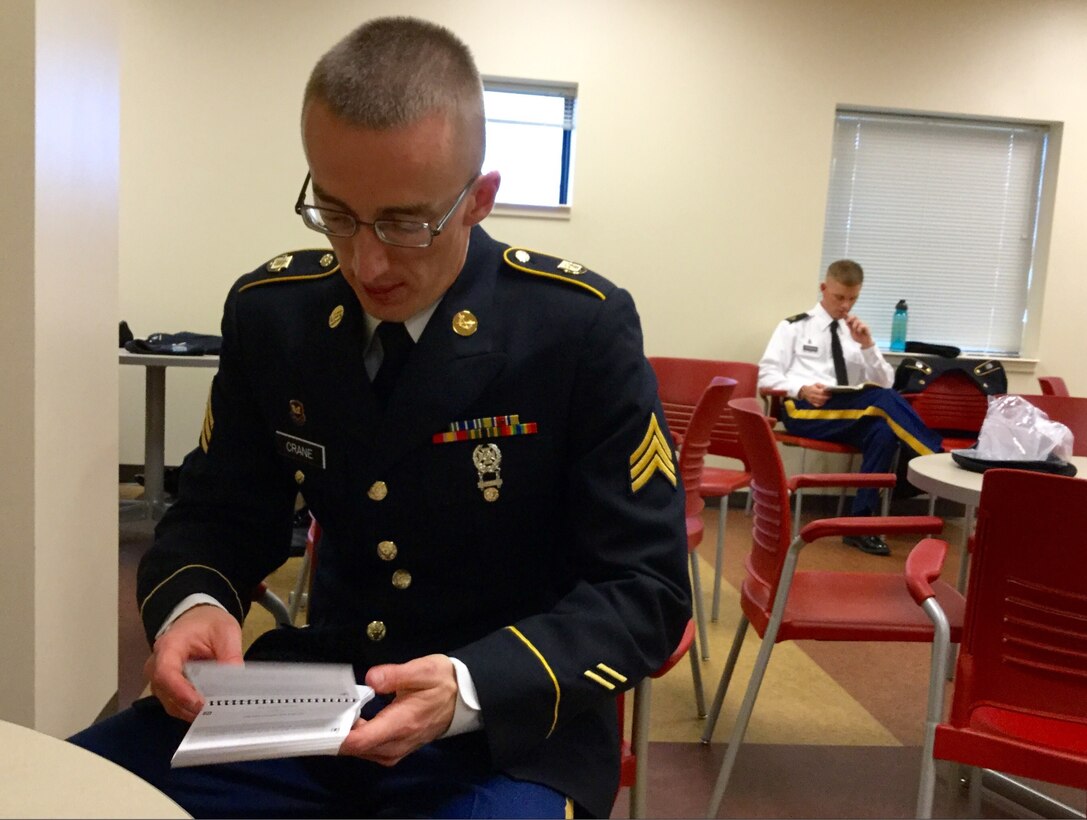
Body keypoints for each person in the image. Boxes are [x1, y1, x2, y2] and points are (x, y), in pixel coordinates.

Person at [71, 16, 690, 819]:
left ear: (479, 200)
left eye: (405, 223)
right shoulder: (275, 314)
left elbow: (644, 589)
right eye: (334, 213)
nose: (365, 262)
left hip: (504, 728)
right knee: (65, 791)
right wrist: (193, 608)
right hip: (311, 704)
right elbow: (218, 517)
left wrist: (468, 687)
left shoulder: (576, 329)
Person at [757, 259, 942, 556]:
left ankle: (859, 526)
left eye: (853, 298)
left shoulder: (853, 332)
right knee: (882, 403)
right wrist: (801, 388)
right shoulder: (794, 326)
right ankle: (936, 458)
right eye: (839, 297)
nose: (845, 305)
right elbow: (766, 376)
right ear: (823, 288)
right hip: (804, 409)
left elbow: (885, 382)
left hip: (849, 411)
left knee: (882, 431)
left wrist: (868, 345)